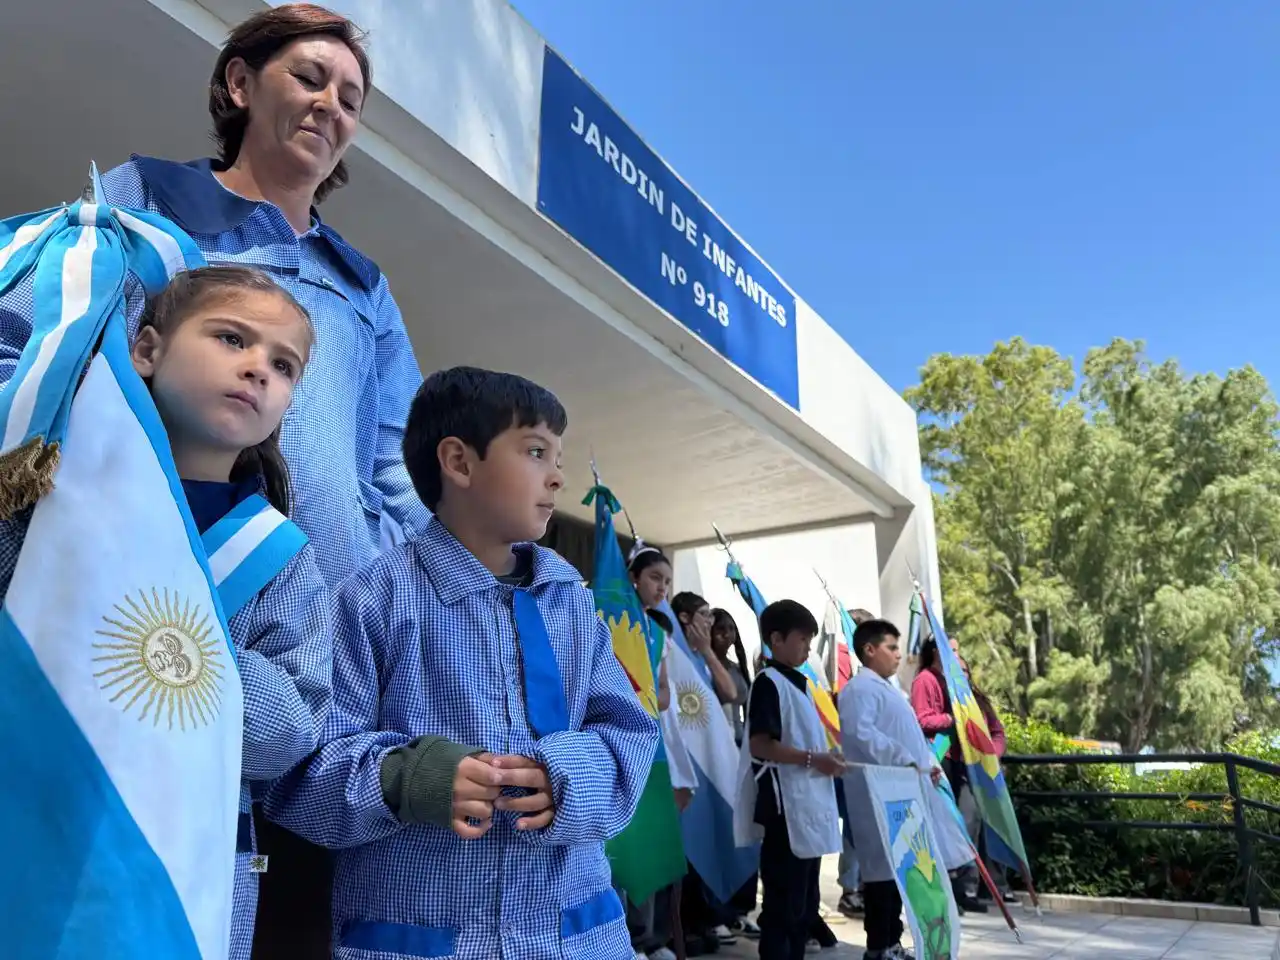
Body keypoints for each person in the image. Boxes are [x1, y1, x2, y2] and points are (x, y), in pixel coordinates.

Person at [0, 7, 428, 952]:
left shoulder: (364, 285)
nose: (331, 105)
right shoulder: (144, 200)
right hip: (124, 600)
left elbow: (392, 475)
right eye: (310, 77)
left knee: (274, 911)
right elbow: (27, 339)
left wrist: (402, 621)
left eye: (351, 98)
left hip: (300, 638)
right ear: (240, 84)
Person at [264, 366, 658, 958]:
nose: (557, 477)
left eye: (558, 457)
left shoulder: (572, 602)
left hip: (578, 935)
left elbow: (628, 735)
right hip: (419, 939)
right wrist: (405, 779)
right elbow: (301, 770)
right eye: (535, 451)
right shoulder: (374, 599)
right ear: (459, 462)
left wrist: (567, 778)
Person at [0, 265, 332, 959]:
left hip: (183, 864)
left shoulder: (282, 555)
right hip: (34, 812)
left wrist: (173, 636)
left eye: (283, 364)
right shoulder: (51, 481)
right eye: (230, 338)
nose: (257, 370)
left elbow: (293, 728)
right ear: (145, 350)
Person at [840, 619, 967, 960]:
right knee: (881, 875)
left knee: (899, 874)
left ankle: (891, 942)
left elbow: (907, 735)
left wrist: (927, 764)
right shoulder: (859, 690)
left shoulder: (888, 690)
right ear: (869, 650)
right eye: (892, 647)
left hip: (902, 794)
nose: (899, 655)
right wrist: (906, 759)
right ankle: (880, 946)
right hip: (880, 795)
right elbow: (861, 734)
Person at [734, 599, 844, 960]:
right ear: (776, 639)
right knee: (783, 906)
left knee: (804, 904)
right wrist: (814, 759)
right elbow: (761, 744)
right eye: (802, 639)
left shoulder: (800, 684)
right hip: (785, 810)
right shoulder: (769, 682)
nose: (808, 649)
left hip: (805, 806)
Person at [911, 637, 988, 914]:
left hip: (957, 759)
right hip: (937, 756)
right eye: (950, 650)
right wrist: (952, 718)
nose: (956, 656)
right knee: (942, 825)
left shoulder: (950, 681)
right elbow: (921, 718)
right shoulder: (925, 680)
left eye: (956, 650)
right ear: (935, 652)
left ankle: (961, 892)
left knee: (958, 824)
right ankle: (946, 892)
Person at [836, 608, 875, 919]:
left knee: (871, 828)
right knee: (853, 826)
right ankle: (850, 889)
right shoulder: (840, 669)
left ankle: (865, 884)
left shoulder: (874, 676)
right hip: (849, 763)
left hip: (875, 769)